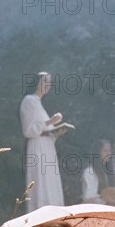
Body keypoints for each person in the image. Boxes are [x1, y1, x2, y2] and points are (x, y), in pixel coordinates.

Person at [20, 72, 66, 213]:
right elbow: (28, 130)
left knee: (50, 181)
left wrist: (57, 130)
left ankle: (53, 215)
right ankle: (40, 215)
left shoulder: (39, 104)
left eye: (49, 82)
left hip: (47, 147)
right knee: (41, 181)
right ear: (37, 82)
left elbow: (46, 130)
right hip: (38, 147)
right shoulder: (29, 100)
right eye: (44, 81)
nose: (47, 85)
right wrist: (50, 121)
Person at [81, 139, 115, 210]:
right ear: (97, 153)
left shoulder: (108, 171)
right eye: (105, 151)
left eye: (109, 151)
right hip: (93, 207)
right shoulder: (89, 171)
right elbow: (89, 198)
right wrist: (109, 203)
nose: (109, 154)